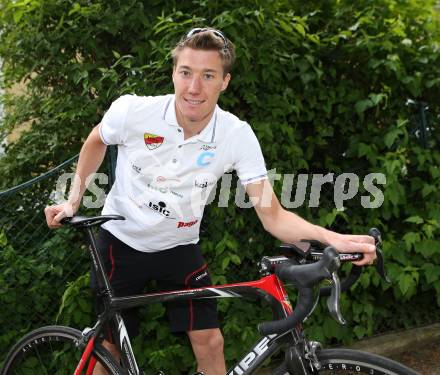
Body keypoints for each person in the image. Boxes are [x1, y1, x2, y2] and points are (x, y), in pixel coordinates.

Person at [45, 27, 376, 375]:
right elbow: (97, 138)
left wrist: (336, 240)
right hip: (121, 241)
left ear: (225, 81)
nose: (193, 87)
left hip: (179, 245)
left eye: (207, 75)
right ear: (173, 73)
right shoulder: (134, 112)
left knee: (210, 341)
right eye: (186, 72)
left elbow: (273, 216)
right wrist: (73, 200)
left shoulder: (235, 135)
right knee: (109, 347)